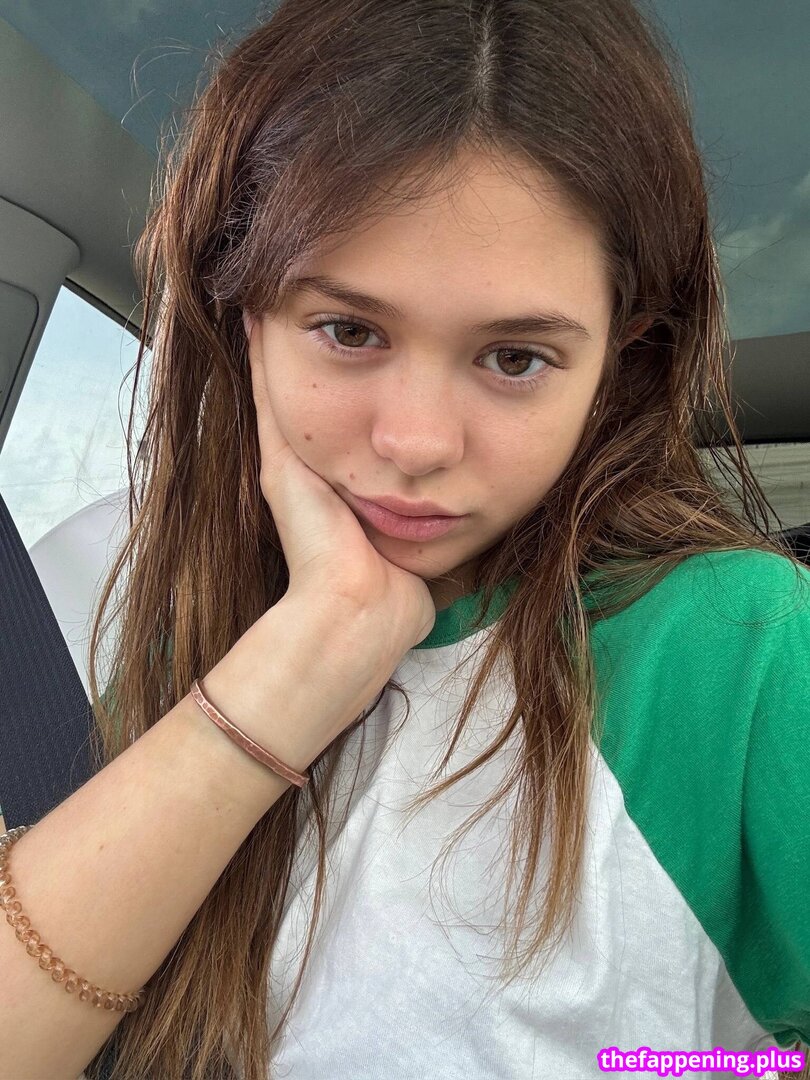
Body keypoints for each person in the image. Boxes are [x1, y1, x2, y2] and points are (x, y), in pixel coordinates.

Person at [1, 0, 808, 1078]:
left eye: (515, 358)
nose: (418, 443)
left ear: (620, 363)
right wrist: (302, 660)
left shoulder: (742, 646)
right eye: (348, 330)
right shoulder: (115, 595)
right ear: (243, 321)